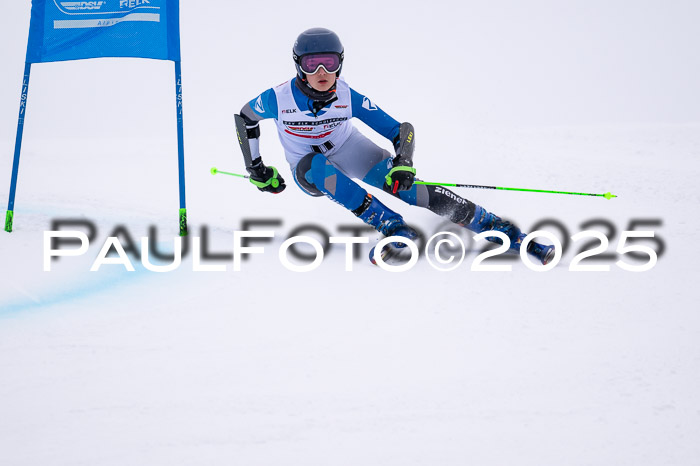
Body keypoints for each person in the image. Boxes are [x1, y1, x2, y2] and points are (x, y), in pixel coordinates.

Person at [234, 27, 555, 265]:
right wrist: (257, 168)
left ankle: (501, 230)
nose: (322, 72)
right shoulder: (277, 98)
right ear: (298, 65)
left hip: (348, 148)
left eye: (329, 63)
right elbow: (245, 118)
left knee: (409, 188)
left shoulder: (347, 97)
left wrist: (404, 160)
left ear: (340, 64)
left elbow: (401, 129)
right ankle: (393, 227)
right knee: (317, 166)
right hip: (308, 167)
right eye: (312, 63)